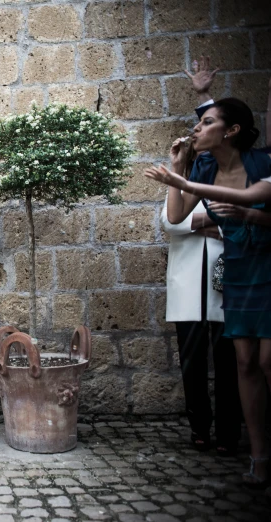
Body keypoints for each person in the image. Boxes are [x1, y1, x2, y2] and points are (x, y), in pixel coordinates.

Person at [145, 98, 271, 488]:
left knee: (257, 363)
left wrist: (184, 184)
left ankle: (249, 444)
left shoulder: (259, 164)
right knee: (235, 362)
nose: (197, 128)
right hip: (220, 276)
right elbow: (175, 219)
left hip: (256, 268)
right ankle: (243, 450)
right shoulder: (202, 166)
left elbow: (248, 203)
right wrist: (180, 172)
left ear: (230, 131)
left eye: (207, 122)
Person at [161, 137, 241, 456]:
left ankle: (227, 432)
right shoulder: (181, 188)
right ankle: (199, 427)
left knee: (229, 363)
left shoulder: (230, 186)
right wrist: (211, 220)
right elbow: (169, 221)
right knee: (192, 363)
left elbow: (241, 222)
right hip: (187, 288)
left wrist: (200, 224)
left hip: (226, 286)